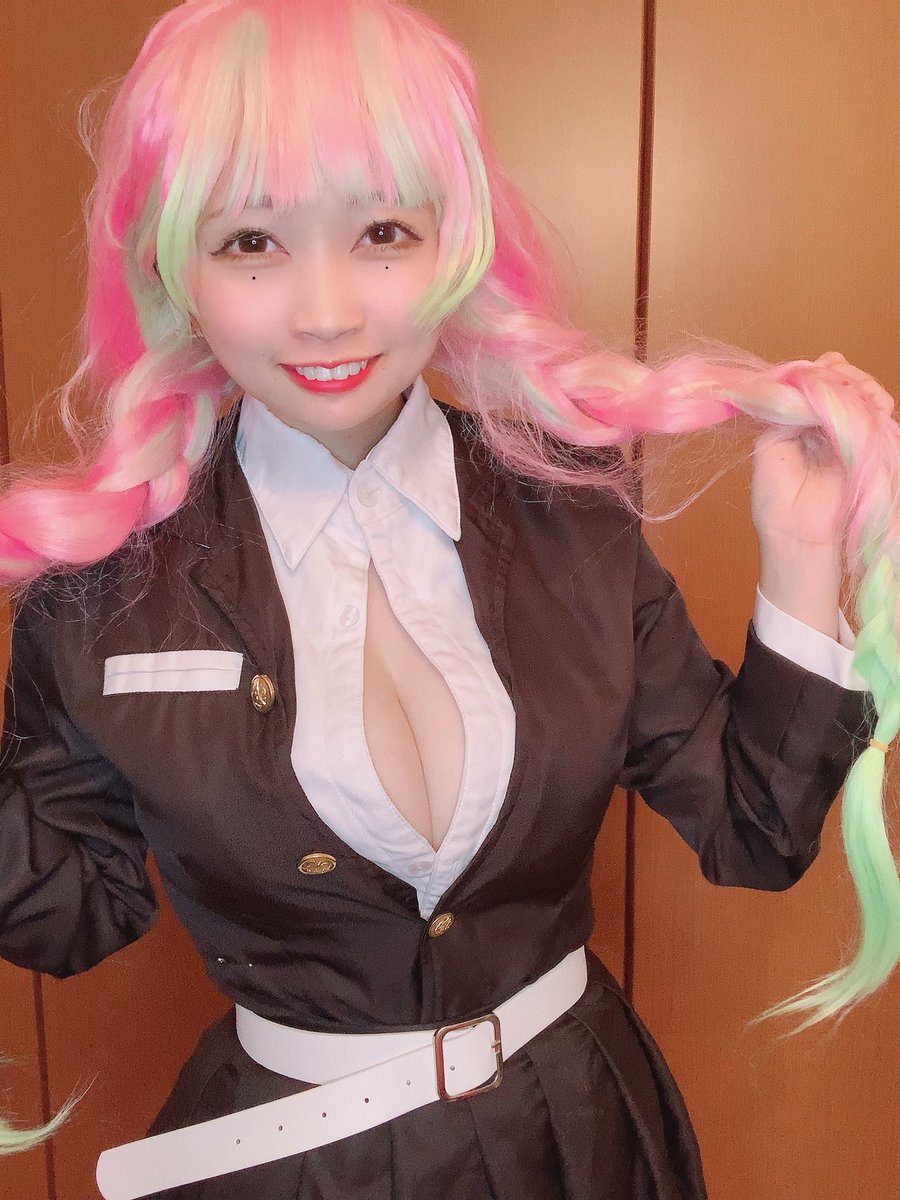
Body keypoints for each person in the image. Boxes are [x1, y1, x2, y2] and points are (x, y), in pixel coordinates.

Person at [0, 0, 898, 1196]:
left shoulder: (572, 513)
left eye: (382, 231)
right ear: (174, 267)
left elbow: (755, 832)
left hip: (580, 1139)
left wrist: (802, 552)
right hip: (290, 1169)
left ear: (454, 243)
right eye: (251, 242)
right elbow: (70, 919)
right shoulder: (100, 591)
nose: (326, 310)